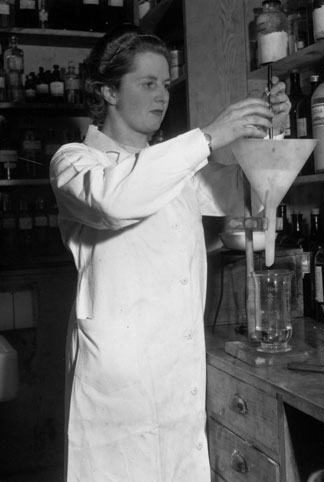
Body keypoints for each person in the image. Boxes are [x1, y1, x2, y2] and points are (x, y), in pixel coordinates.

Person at [50, 23, 290, 482]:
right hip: (118, 390)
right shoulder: (76, 163)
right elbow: (115, 201)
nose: (161, 96)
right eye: (146, 83)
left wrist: (264, 134)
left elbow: (249, 195)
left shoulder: (177, 168)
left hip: (178, 377)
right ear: (108, 92)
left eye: (164, 84)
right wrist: (209, 137)